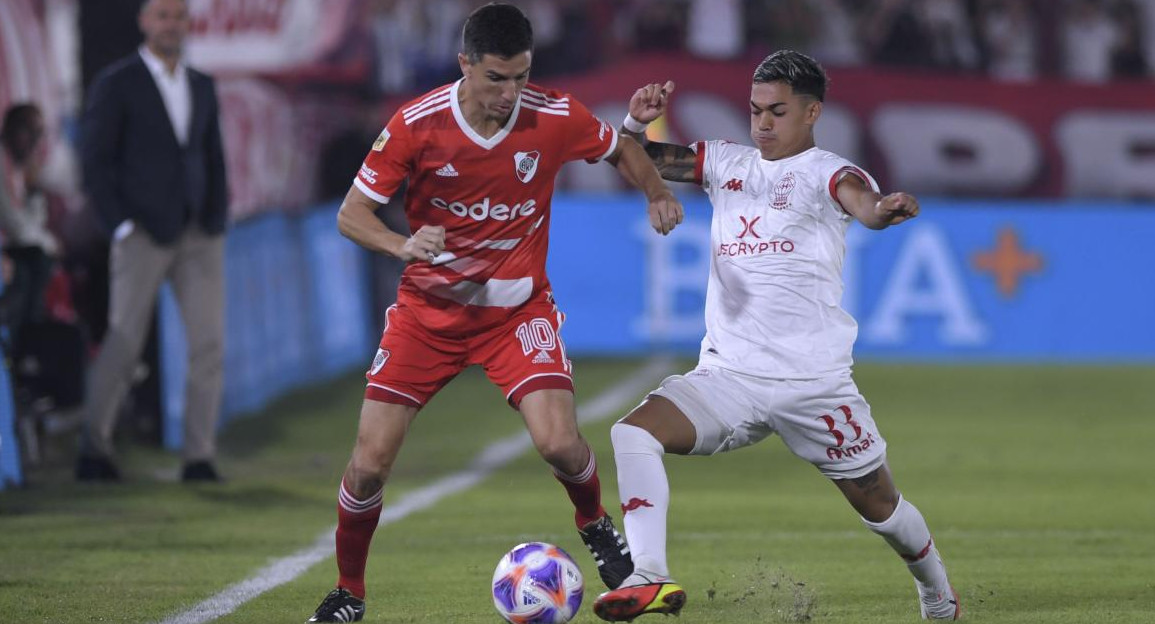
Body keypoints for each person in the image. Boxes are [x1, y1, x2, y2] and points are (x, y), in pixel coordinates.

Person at [304, 3, 684, 622]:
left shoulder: (553, 115)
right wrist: (402, 244)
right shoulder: (416, 124)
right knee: (369, 465)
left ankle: (594, 524)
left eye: (521, 77)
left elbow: (621, 148)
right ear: (465, 65)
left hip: (516, 312)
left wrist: (658, 191)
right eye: (496, 78)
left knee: (560, 444)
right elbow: (351, 214)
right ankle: (350, 592)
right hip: (429, 314)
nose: (510, 94)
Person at [592, 50, 960, 621]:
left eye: (777, 112)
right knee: (632, 434)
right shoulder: (725, 162)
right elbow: (633, 158)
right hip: (728, 377)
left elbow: (863, 206)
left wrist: (884, 211)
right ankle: (650, 574)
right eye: (756, 110)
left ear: (812, 112)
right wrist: (635, 124)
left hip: (812, 384)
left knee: (880, 506)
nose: (762, 123)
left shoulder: (829, 173)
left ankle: (936, 590)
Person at [76, 0, 228, 483]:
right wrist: (118, 223)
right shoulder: (116, 83)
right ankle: (93, 449)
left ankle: (198, 456)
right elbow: (94, 160)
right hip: (141, 232)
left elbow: (211, 154)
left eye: (178, 16)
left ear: (188, 24)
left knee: (209, 344)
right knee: (123, 343)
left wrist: (217, 214)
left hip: (198, 232)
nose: (171, 25)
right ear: (143, 22)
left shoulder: (202, 84)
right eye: (161, 16)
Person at [0, 103, 59, 342]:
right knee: (30, 265)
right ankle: (21, 346)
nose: (35, 142)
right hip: (8, 246)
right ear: (13, 131)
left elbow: (36, 223)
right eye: (30, 133)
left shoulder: (18, 167)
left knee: (38, 259)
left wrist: (34, 188)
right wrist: (49, 243)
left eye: (39, 134)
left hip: (11, 247)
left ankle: (28, 346)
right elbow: (16, 227)